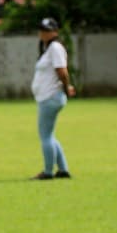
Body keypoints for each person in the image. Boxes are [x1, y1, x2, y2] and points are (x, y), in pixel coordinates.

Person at [30, 17, 75, 180]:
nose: (43, 33)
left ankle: (48, 172)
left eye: (47, 30)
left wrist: (66, 88)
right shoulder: (48, 48)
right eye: (41, 30)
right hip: (48, 96)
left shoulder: (55, 47)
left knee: (45, 136)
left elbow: (62, 71)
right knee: (49, 134)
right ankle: (63, 169)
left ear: (55, 32)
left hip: (50, 97)